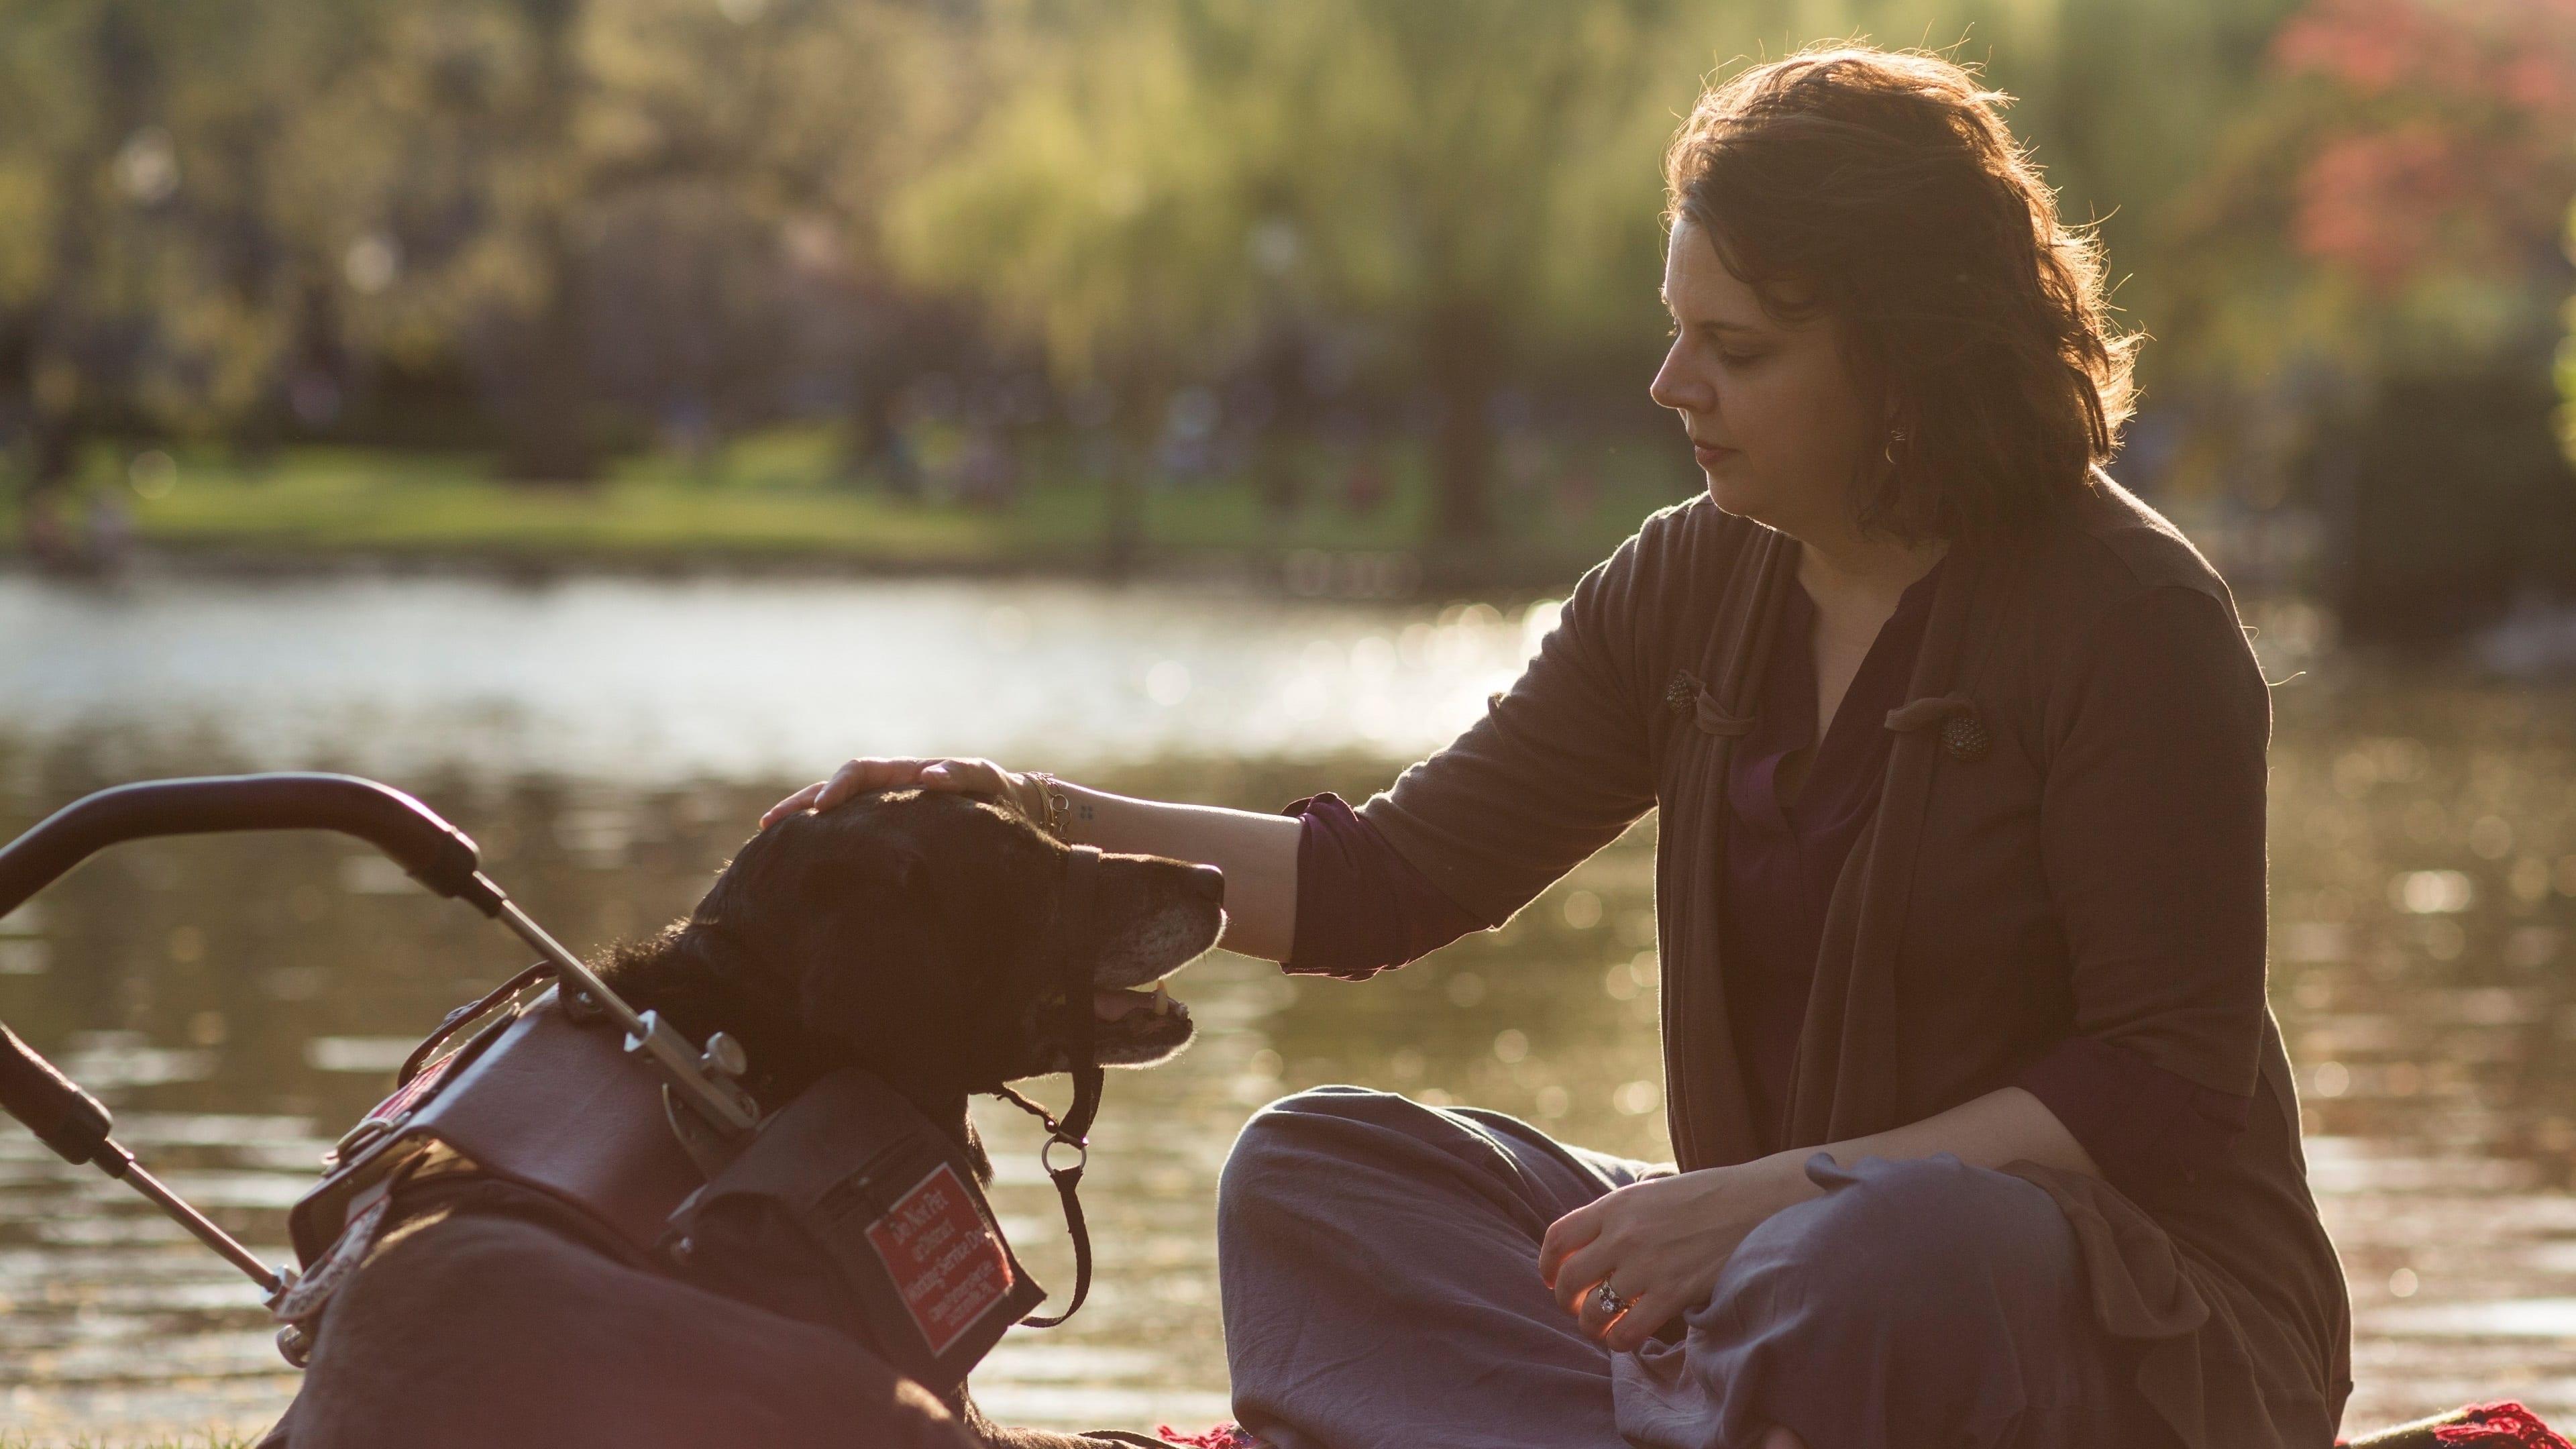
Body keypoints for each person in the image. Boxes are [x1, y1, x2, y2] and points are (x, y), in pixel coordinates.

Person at [765, 44, 2349, 1449]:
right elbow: (1382, 883)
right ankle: (1697, 1413)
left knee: (1880, 1255)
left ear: (1905, 361)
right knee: (1314, 1174)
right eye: (1677, 333)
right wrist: (1024, 802)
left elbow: (2160, 1083)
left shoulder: (2132, 620)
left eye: (1736, 350)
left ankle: (1669, 1398)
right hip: (1774, 1269)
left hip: (2126, 1317)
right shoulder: (1691, 579)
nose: (1675, 387)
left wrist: (1774, 1200)